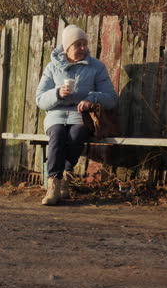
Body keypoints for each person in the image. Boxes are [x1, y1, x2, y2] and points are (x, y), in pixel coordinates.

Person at [35, 24, 119, 205]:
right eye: (78, 45)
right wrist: (58, 93)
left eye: (84, 44)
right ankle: (54, 185)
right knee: (57, 134)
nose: (83, 48)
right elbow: (40, 99)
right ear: (67, 48)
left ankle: (65, 175)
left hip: (81, 115)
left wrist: (92, 98)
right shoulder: (52, 68)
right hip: (56, 114)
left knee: (77, 134)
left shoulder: (96, 67)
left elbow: (112, 98)